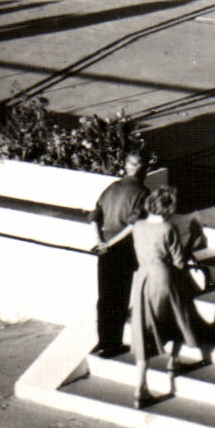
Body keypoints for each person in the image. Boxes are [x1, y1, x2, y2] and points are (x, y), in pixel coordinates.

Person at [102, 185, 208, 409]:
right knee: (179, 314)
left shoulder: (138, 226)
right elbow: (179, 261)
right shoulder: (168, 228)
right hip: (163, 277)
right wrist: (194, 237)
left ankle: (140, 387)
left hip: (142, 279)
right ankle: (173, 360)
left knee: (144, 330)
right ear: (168, 208)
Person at [88, 150, 150, 359]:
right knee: (120, 297)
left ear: (126, 166)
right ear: (144, 169)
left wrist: (101, 242)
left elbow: (94, 217)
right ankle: (113, 344)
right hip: (123, 248)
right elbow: (133, 225)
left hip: (104, 248)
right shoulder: (142, 192)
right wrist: (111, 243)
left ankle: (104, 340)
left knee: (105, 297)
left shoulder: (111, 189)